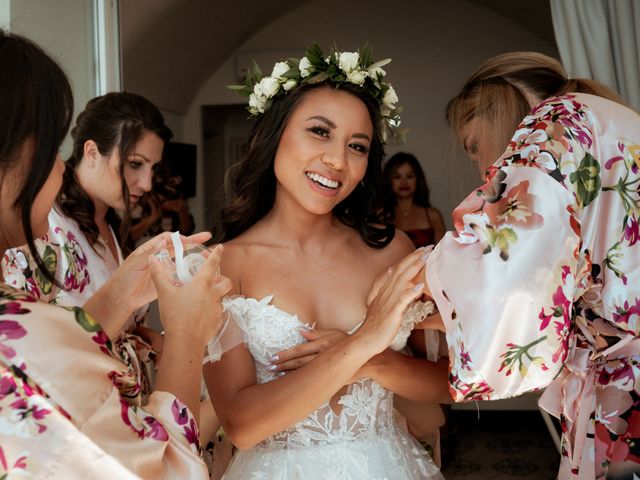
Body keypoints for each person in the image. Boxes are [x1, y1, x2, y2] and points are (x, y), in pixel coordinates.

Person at [203, 44, 449, 479]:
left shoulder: (393, 252)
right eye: (319, 131)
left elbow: (447, 383)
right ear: (270, 134)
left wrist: (371, 360)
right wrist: (362, 342)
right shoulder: (224, 266)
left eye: (357, 146)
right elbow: (241, 425)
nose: (337, 161)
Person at [0, 29, 231, 478]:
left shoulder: (111, 231)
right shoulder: (24, 333)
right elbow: (165, 471)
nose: (60, 166)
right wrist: (185, 332)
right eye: (50, 151)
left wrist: (122, 295)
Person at [418, 51, 640, 479]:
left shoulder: (556, 121)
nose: (483, 165)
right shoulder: (608, 122)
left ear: (497, 104)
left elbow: (503, 267)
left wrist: (410, 290)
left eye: (474, 146)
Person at [2, 91, 171, 399]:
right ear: (92, 151)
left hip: (125, 405)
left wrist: (146, 336)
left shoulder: (112, 229)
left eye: (152, 168)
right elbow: (32, 342)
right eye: (135, 164)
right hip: (75, 406)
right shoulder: (46, 226)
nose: (146, 183)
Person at [381, 152, 446, 247]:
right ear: (389, 180)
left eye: (409, 176)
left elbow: (442, 256)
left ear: (418, 179)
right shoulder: (380, 215)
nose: (404, 182)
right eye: (397, 177)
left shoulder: (433, 216)